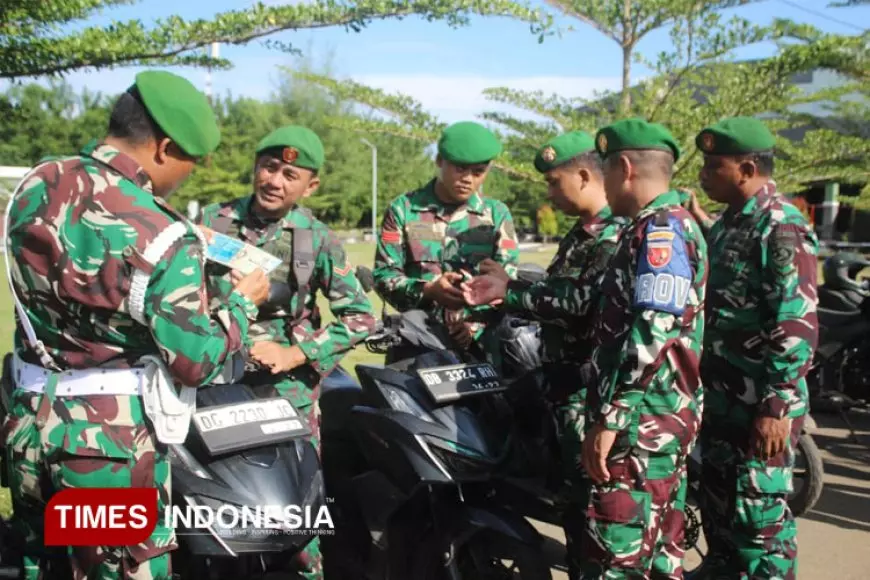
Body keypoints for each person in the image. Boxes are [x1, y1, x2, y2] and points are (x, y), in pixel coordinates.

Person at [0, 70, 270, 579]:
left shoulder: (35, 183)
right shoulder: (162, 231)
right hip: (105, 443)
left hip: (26, 422)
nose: (184, 178)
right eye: (188, 166)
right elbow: (197, 362)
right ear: (164, 148)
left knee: (44, 563)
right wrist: (240, 303)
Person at [197, 125, 377, 580]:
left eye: (290, 174)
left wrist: (295, 353)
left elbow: (360, 316)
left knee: (296, 509)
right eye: (269, 167)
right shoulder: (212, 225)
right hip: (215, 387)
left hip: (287, 397)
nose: (275, 180)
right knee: (213, 504)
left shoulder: (315, 238)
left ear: (309, 185)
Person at [462, 130, 628, 579]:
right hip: (566, 390)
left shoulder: (614, 232)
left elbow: (580, 303)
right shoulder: (584, 232)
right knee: (575, 512)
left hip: (592, 395)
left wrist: (509, 292)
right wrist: (508, 283)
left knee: (597, 520)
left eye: (555, 183)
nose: (550, 194)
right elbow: (559, 290)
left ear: (582, 175)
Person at [684, 116, 818, 580]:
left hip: (760, 405)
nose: (703, 172)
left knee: (760, 523)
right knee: (721, 508)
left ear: (745, 168)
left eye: (713, 165)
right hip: (723, 396)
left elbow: (794, 322)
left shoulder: (780, 226)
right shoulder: (731, 222)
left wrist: (775, 405)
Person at [579, 118, 708, 579]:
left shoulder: (660, 231)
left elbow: (653, 331)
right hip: (660, 423)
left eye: (606, 170)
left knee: (618, 560)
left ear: (626, 168)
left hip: (639, 429)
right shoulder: (671, 224)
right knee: (659, 559)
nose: (604, 184)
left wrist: (611, 419)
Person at [372, 121, 520, 362]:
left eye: (478, 172)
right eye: (460, 169)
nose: (468, 179)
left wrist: (474, 324)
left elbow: (506, 282)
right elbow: (383, 276)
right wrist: (429, 290)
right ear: (439, 160)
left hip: (480, 349)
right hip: (416, 341)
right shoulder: (404, 209)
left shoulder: (496, 216)